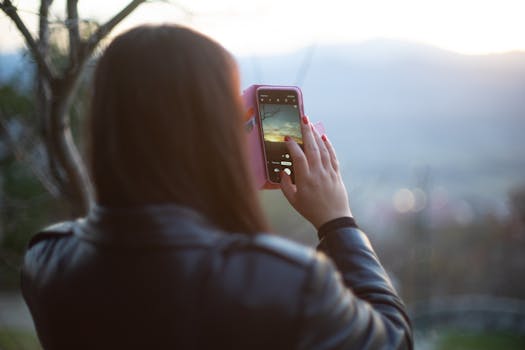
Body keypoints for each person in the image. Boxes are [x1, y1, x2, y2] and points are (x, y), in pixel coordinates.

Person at [21, 25, 413, 349]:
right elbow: (392, 341)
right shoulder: (286, 282)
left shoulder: (47, 261)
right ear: (214, 133)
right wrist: (338, 222)